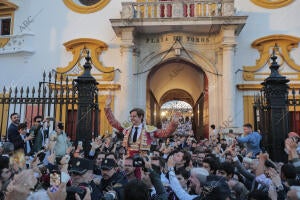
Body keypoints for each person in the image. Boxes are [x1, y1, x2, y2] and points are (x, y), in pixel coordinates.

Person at [104, 95, 180, 156]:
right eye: (131, 116)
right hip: (127, 158)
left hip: (143, 160)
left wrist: (173, 123)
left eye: (134, 116)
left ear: (141, 117)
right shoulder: (127, 127)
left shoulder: (149, 129)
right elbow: (114, 123)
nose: (131, 118)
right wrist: (107, 108)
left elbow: (165, 133)